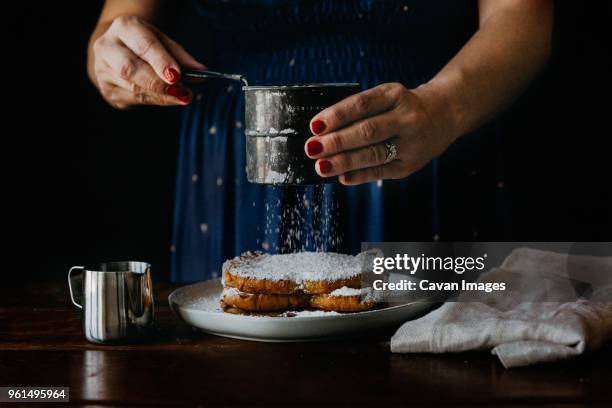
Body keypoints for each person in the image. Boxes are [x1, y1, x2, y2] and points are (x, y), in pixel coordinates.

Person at [87, 0, 553, 281]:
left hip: (418, 137)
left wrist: (442, 109)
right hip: (236, 162)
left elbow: (519, 14)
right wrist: (114, 60)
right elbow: (113, 29)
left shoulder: (434, 118)